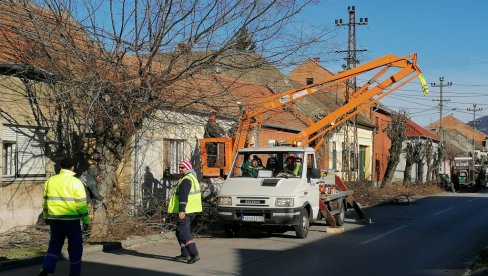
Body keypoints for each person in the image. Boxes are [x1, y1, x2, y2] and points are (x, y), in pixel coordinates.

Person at [39, 157, 90, 276]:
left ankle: (47, 267)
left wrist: (46, 217)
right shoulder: (76, 182)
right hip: (71, 221)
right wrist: (86, 220)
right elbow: (81, 204)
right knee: (75, 247)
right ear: (72, 167)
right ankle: (74, 273)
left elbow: (45, 202)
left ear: (61, 167)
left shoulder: (50, 180)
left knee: (54, 244)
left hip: (54, 220)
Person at [168, 160, 202, 264]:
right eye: (180, 168)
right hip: (192, 210)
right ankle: (185, 253)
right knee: (179, 232)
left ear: (188, 168)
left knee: (183, 232)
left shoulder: (186, 180)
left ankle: (193, 254)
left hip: (186, 210)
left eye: (182, 168)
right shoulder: (191, 178)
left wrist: (182, 210)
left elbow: (183, 196)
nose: (180, 170)